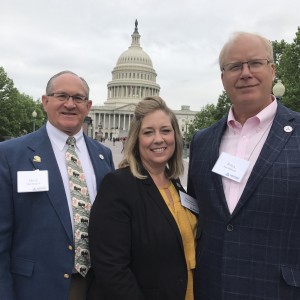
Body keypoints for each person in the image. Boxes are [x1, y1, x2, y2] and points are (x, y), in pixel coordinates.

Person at [188, 31, 300, 300]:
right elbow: (196, 215)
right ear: (223, 78)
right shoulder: (202, 141)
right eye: (235, 66)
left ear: (272, 70)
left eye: (255, 63)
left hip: (278, 290)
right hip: (211, 286)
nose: (245, 73)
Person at [0, 70, 115, 300]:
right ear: (45, 101)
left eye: (78, 98)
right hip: (36, 288)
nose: (70, 104)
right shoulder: (11, 155)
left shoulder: (103, 155)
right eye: (61, 96)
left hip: (95, 286)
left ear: (88, 105)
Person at [89, 96, 198, 300]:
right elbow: (111, 268)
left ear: (175, 135)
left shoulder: (175, 183)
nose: (159, 139)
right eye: (148, 132)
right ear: (136, 138)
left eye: (165, 130)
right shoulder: (118, 185)